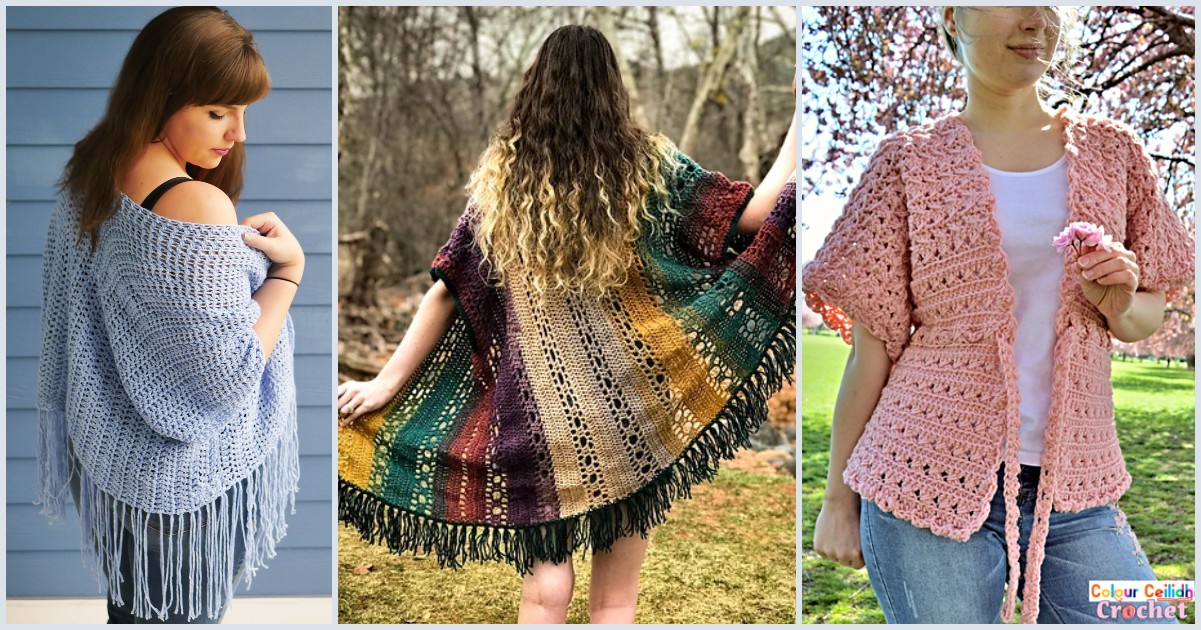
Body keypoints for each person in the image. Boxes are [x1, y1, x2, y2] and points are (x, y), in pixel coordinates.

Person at [337, 24, 797, 624]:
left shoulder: (503, 186)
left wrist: (385, 384)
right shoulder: (649, 168)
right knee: (616, 599)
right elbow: (753, 215)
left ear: (536, 86)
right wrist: (800, 120)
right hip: (630, 413)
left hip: (536, 421)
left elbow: (447, 292)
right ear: (613, 88)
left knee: (545, 593)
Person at [804, 6, 1193, 625]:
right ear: (954, 16)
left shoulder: (1115, 155)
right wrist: (836, 501)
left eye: (1050, 4)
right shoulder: (907, 162)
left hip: (1078, 491)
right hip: (922, 476)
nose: (1036, 20)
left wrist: (1122, 301)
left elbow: (1144, 314)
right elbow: (872, 347)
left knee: (1154, 614)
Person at [38, 7, 305, 623]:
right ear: (160, 95)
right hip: (187, 487)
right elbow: (230, 374)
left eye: (243, 112)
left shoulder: (89, 177)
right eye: (217, 111)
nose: (235, 131)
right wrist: (288, 272)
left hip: (113, 472)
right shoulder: (194, 203)